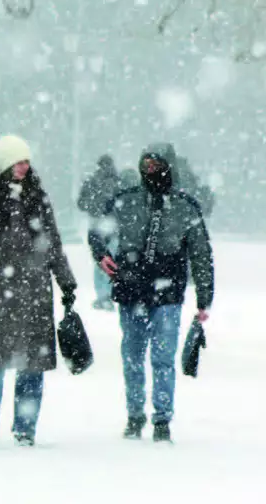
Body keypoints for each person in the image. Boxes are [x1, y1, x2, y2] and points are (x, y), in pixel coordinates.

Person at [89, 150, 214, 444]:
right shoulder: (136, 202)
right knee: (140, 356)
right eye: (147, 166)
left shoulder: (179, 207)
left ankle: (157, 419)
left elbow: (200, 254)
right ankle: (142, 416)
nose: (151, 171)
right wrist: (101, 254)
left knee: (154, 357)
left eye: (156, 166)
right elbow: (98, 233)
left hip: (160, 290)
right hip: (140, 288)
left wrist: (204, 297)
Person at [0, 136, 77, 451]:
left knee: (32, 364)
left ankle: (25, 428)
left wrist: (65, 280)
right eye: (17, 162)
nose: (24, 167)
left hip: (33, 291)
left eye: (26, 161)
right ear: (2, 165)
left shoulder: (37, 197)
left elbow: (52, 241)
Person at [78, 154, 120, 310]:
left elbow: (81, 204)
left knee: (100, 261)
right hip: (115, 226)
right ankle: (110, 293)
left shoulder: (92, 182)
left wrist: (93, 205)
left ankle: (102, 295)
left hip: (97, 226)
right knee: (113, 259)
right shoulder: (118, 181)